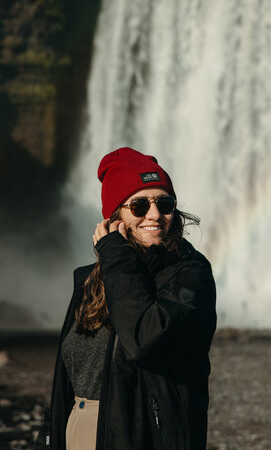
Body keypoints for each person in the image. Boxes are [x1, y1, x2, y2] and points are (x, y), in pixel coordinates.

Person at [35, 147, 217, 450]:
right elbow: (68, 380)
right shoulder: (89, 281)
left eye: (165, 203)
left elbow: (144, 338)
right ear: (115, 215)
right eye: (140, 205)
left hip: (139, 436)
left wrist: (115, 255)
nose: (155, 215)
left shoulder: (189, 274)